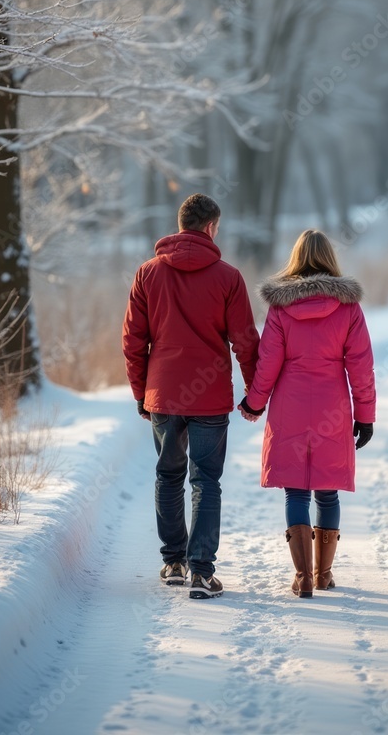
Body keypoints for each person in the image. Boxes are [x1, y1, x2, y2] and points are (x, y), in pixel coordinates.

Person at [123, 193, 259, 599]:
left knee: (168, 476)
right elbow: (245, 342)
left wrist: (140, 392)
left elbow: (132, 340)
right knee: (206, 481)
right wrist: (256, 392)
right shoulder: (229, 277)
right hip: (210, 396)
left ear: (181, 224)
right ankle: (201, 571)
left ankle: (173, 563)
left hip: (163, 392)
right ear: (211, 227)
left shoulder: (147, 273)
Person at [238, 229, 376, 598]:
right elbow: (361, 367)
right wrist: (365, 415)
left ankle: (302, 577)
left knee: (296, 492)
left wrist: (254, 401)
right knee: (328, 493)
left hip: (290, 406)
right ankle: (324, 573)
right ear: (329, 258)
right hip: (332, 405)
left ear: (296, 258)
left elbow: (268, 362)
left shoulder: (281, 308)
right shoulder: (348, 307)